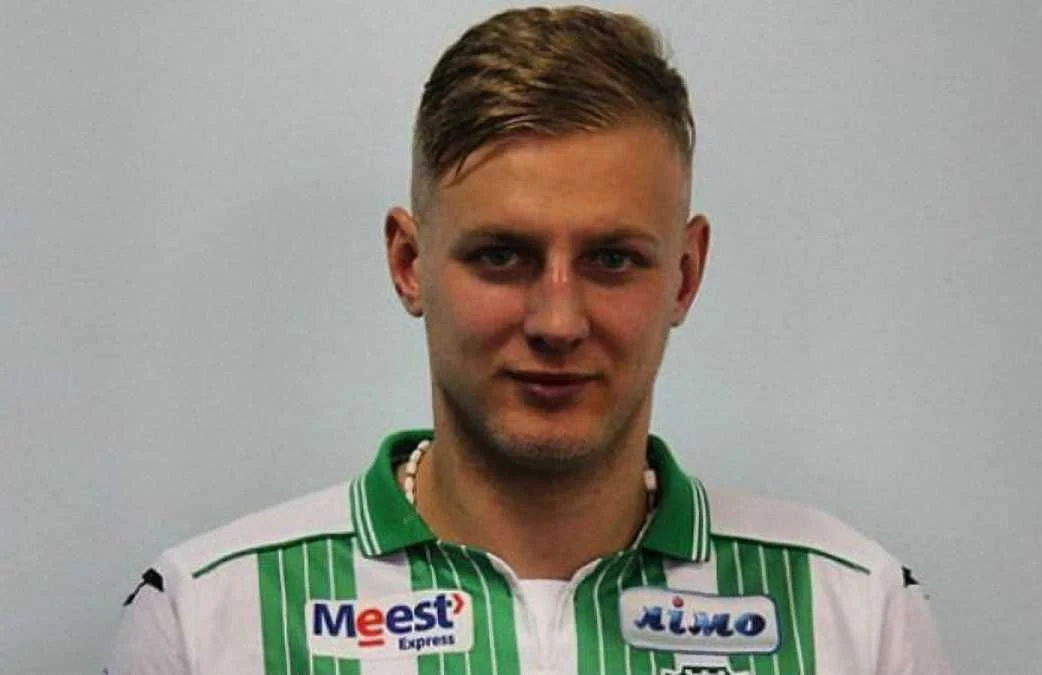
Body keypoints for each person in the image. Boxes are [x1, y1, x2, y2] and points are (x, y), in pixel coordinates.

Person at [108, 6, 950, 674]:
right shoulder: (208, 620)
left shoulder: (856, 614)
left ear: (685, 275)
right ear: (409, 263)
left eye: (613, 259)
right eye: (501, 256)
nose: (557, 321)